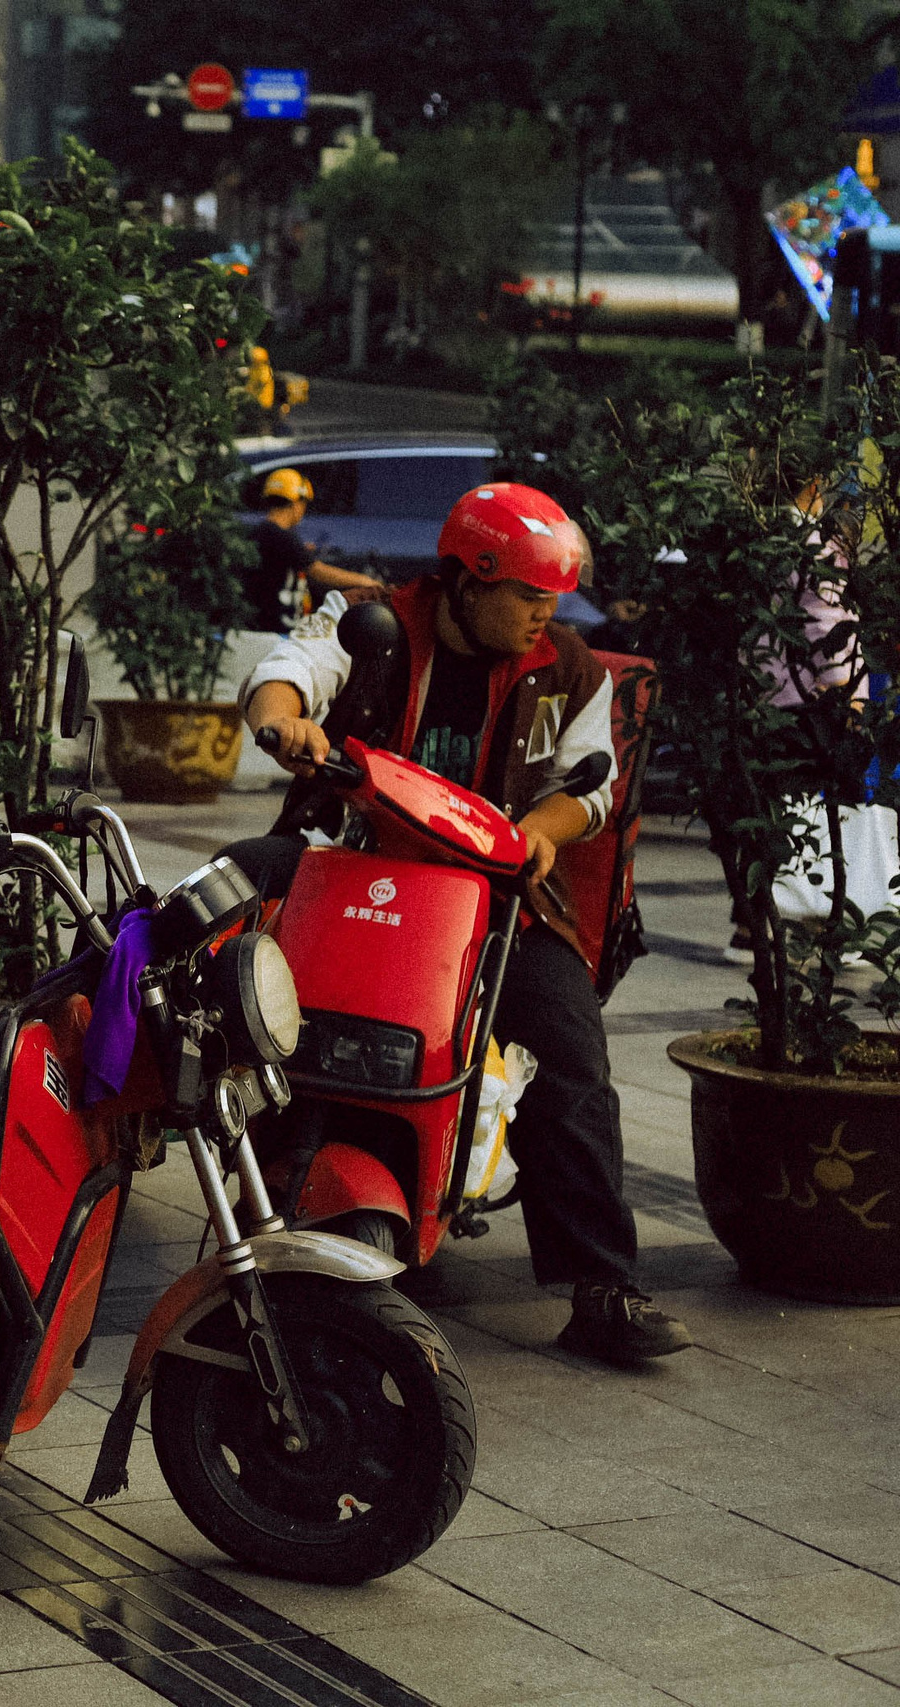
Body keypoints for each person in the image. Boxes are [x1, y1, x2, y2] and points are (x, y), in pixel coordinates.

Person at [233, 481, 693, 1367]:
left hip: (493, 898)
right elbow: (289, 672)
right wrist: (284, 723)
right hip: (356, 864)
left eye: (552, 597)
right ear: (468, 579)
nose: (543, 615)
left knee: (571, 1056)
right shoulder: (374, 620)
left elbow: (585, 789)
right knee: (222, 930)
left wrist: (540, 834)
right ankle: (237, 1185)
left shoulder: (570, 668)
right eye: (527, 594)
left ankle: (602, 1286)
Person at [245, 468, 387, 632]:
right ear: (296, 502)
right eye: (304, 503)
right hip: (277, 629)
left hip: (269, 626)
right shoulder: (281, 536)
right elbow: (318, 571)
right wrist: (365, 582)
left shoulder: (264, 532)